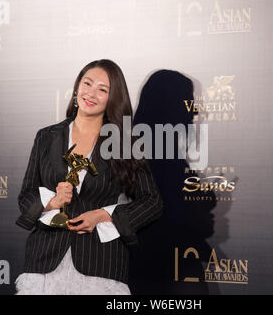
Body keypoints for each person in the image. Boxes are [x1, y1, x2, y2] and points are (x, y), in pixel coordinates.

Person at [15, 59, 163, 295]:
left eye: (102, 89)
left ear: (113, 98)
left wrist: (104, 215)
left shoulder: (125, 142)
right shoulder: (46, 137)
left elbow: (152, 202)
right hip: (44, 262)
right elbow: (26, 195)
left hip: (101, 263)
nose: (91, 93)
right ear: (77, 87)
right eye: (88, 83)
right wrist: (52, 203)